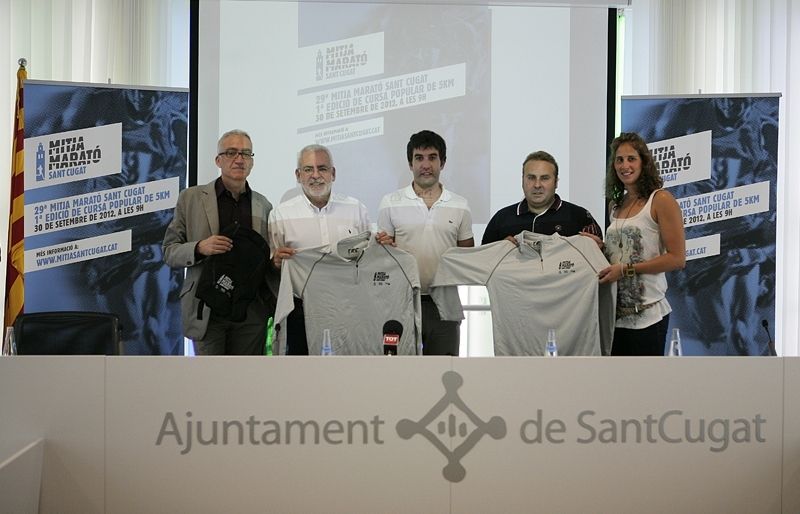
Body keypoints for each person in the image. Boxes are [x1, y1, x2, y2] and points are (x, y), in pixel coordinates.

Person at [163, 129, 275, 355]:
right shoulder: (191, 198)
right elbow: (169, 251)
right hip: (206, 307)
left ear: (252, 162)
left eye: (246, 154)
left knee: (246, 383)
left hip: (250, 311)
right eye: (232, 152)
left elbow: (266, 257)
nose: (239, 159)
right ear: (218, 160)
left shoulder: (264, 205)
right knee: (210, 385)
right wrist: (199, 247)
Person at [377, 130, 474, 356]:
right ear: (410, 164)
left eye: (432, 157)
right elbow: (383, 258)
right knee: (401, 376)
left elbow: (467, 255)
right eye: (419, 158)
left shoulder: (460, 205)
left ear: (443, 162)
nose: (426, 164)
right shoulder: (390, 202)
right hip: (401, 303)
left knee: (443, 371)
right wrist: (384, 246)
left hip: (445, 304)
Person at [268, 144, 370, 355]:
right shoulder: (281, 215)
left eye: (322, 168)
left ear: (333, 173)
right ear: (298, 175)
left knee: (347, 374)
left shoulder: (356, 209)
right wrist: (276, 261)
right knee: (302, 376)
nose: (315, 175)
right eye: (308, 169)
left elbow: (368, 257)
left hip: (348, 308)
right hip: (301, 311)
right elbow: (274, 263)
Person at [596, 132, 685, 356]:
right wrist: (600, 247)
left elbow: (677, 258)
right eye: (619, 160)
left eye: (631, 158)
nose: (624, 165)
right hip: (616, 319)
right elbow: (622, 251)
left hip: (649, 318)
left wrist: (626, 270)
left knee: (644, 390)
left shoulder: (661, 200)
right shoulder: (615, 206)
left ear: (644, 162)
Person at [481, 150, 602, 244]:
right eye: (531, 178)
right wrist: (499, 250)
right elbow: (484, 264)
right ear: (522, 180)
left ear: (556, 182)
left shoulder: (579, 217)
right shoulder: (501, 219)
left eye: (544, 178)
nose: (537, 185)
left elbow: (598, 263)